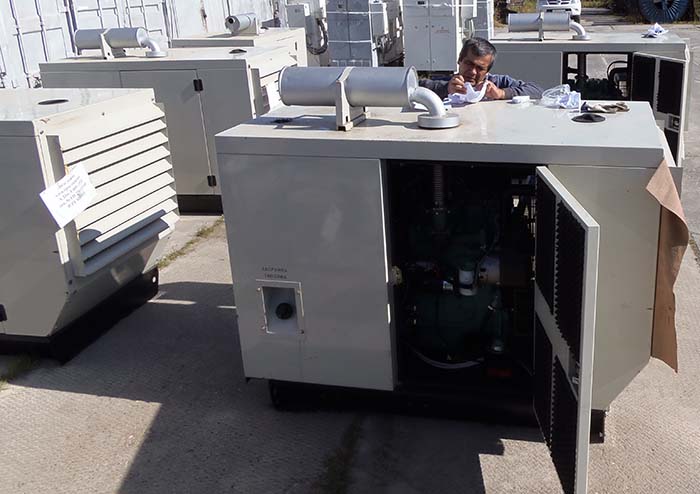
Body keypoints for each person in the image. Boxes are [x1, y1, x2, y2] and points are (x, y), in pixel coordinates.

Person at [420, 37, 543, 101]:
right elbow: (413, 89)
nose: (473, 71)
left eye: (480, 68)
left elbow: (537, 91)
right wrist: (445, 89)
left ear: (488, 70)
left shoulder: (498, 83)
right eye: (469, 63)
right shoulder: (444, 82)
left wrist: (502, 93)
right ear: (459, 60)